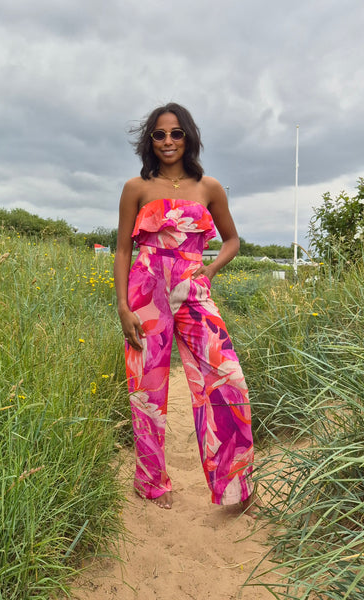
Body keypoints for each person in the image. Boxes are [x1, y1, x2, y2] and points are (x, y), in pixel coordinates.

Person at [113, 102, 258, 516]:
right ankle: (152, 484)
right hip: (147, 291)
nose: (168, 141)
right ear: (150, 141)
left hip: (193, 289)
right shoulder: (136, 188)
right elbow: (123, 249)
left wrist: (208, 269)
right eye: (159, 134)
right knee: (147, 390)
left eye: (176, 133)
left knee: (227, 379)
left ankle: (234, 486)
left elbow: (232, 240)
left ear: (188, 136)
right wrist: (123, 306)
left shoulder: (208, 187)